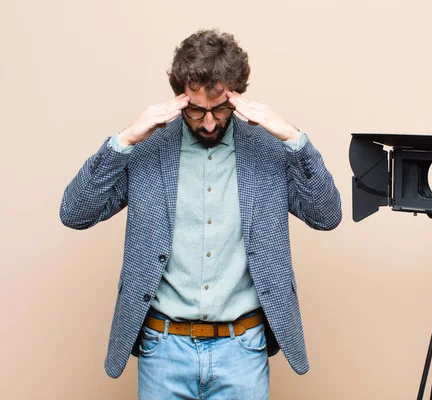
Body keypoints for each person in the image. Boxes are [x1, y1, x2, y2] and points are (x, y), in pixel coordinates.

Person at [59, 29, 342, 399]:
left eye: (220, 108)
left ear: (236, 96)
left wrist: (293, 138)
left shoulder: (270, 149)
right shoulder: (147, 148)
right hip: (163, 351)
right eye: (196, 110)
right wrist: (125, 139)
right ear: (180, 97)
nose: (208, 123)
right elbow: (75, 212)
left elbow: (327, 215)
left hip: (243, 349)